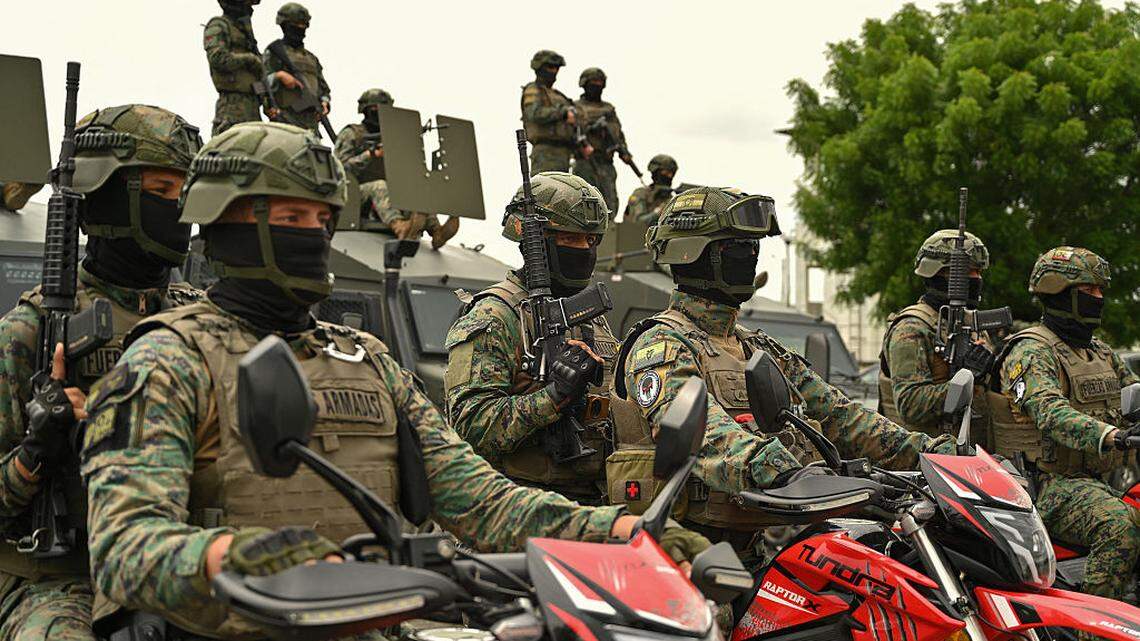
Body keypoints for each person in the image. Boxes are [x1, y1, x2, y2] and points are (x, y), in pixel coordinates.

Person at [80, 123, 709, 639]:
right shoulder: (169, 359)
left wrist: (619, 532)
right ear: (224, 221)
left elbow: (478, 496)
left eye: (320, 218)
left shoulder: (367, 359)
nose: (311, 234)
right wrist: (234, 560)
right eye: (288, 215)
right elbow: (126, 546)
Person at [608, 187, 956, 563]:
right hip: (686, 561)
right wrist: (788, 474)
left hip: (754, 549)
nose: (752, 257)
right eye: (738, 248)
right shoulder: (660, 346)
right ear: (694, 254)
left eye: (753, 247)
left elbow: (843, 417)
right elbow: (706, 436)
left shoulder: (757, 348)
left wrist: (936, 456)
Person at [0, 105, 202, 641]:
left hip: (181, 568)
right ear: (112, 196)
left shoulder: (204, 323)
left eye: (185, 192)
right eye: (162, 190)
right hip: (61, 578)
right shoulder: (29, 331)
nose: (179, 209)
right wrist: (36, 451)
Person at [445, 172, 616, 505]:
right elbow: (470, 427)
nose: (583, 250)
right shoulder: (495, 315)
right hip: (517, 507)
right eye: (570, 239)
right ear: (538, 241)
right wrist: (553, 397)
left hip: (591, 504)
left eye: (590, 241)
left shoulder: (591, 320)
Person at [991, 246, 1140, 602]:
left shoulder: (1099, 352)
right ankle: (1095, 627)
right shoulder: (1031, 351)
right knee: (1119, 527)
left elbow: (1133, 391)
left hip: (1096, 481)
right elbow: (1048, 410)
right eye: (1090, 292)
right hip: (1045, 485)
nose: (1100, 299)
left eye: (1101, 291)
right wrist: (1112, 435)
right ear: (1062, 293)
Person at [878, 229, 996, 441]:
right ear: (940, 274)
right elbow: (910, 405)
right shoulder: (911, 328)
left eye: (979, 272)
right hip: (926, 459)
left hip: (972, 454)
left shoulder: (972, 324)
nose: (977, 279)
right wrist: (964, 380)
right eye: (969, 272)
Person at [334, 88, 459, 249]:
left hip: (388, 194)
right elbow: (338, 169)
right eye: (375, 110)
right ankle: (398, 225)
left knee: (416, 188)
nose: (379, 114)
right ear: (365, 111)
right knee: (379, 185)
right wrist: (370, 154)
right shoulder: (352, 134)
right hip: (354, 193)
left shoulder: (393, 135)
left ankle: (436, 231)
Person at [262, 2, 330, 134]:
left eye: (303, 26)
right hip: (285, 120)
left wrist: (324, 102)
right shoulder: (274, 52)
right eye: (296, 26)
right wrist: (279, 76)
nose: (300, 29)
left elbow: (323, 89)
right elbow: (260, 82)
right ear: (285, 26)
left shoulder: (311, 58)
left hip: (311, 122)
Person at [204, 0, 267, 135]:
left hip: (253, 108)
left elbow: (256, 76)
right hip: (232, 108)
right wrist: (249, 59)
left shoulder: (246, 34)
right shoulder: (218, 25)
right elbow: (217, 58)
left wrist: (264, 97)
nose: (249, 8)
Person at [572, 68, 629, 214]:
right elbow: (572, 133)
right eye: (593, 82)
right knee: (584, 203)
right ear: (584, 84)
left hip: (606, 163)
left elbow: (618, 134)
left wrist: (624, 151)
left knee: (610, 204)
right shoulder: (576, 107)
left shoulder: (608, 109)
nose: (596, 86)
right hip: (585, 161)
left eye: (599, 82)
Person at [520, 50, 586, 174]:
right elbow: (535, 113)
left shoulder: (559, 96)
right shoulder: (533, 90)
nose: (554, 71)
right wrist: (563, 113)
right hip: (545, 152)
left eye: (556, 68)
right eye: (550, 67)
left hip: (564, 153)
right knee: (545, 189)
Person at [625, 154, 677, 223]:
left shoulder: (671, 199)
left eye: (672, 174)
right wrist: (659, 211)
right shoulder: (640, 193)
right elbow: (638, 221)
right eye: (666, 173)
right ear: (656, 172)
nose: (670, 176)